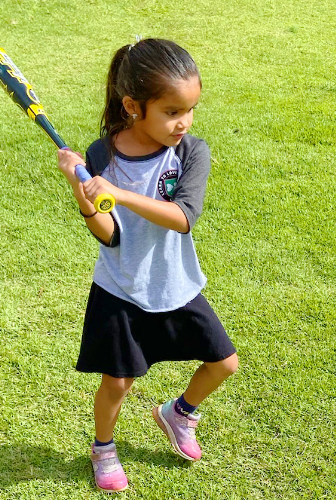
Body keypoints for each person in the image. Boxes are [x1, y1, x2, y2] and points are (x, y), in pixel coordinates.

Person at [56, 38, 238, 493]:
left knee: (224, 363)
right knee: (118, 383)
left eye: (190, 108)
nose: (184, 122)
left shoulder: (191, 152)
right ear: (134, 107)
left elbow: (183, 218)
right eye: (172, 111)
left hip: (175, 282)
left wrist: (120, 194)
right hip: (122, 287)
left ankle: (179, 413)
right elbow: (110, 234)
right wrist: (83, 197)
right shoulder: (102, 155)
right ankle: (103, 448)